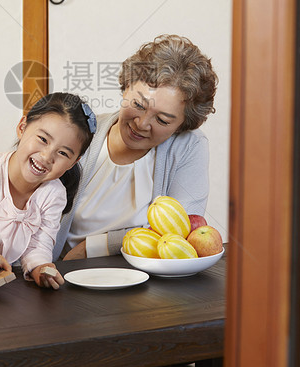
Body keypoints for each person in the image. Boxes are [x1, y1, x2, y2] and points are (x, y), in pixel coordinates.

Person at [53, 34, 218, 260]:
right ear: (127, 86)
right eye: (138, 105)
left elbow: (182, 231)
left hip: (145, 280)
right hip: (65, 273)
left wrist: (95, 246)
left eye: (162, 120)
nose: (141, 124)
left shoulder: (189, 146)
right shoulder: (82, 132)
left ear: (182, 125)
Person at [0, 92, 96, 289]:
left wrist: (40, 267)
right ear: (22, 127)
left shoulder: (54, 194)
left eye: (63, 153)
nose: (47, 156)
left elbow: (38, 247)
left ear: (74, 162)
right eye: (43, 139)